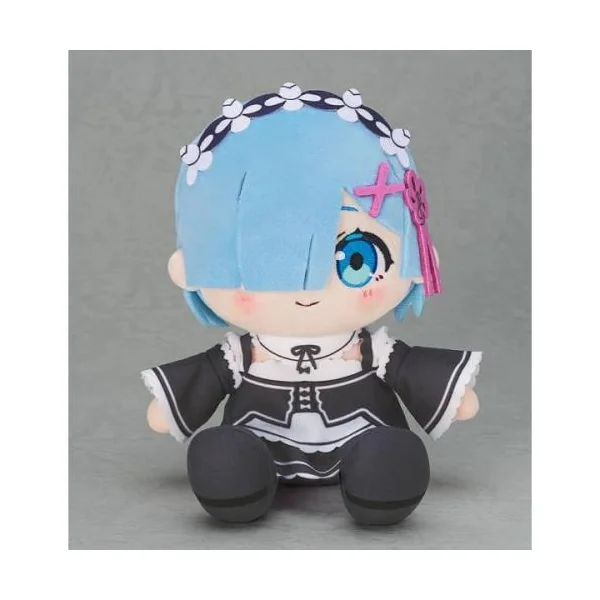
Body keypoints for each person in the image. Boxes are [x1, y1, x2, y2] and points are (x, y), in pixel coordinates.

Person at [142, 83, 482, 525]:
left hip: (363, 436)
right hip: (261, 440)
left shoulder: (369, 351)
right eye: (257, 267)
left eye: (357, 260)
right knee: (224, 459)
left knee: (387, 459)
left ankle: (379, 484)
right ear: (189, 266)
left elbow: (408, 369)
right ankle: (239, 482)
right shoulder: (243, 355)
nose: (306, 290)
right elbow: (205, 378)